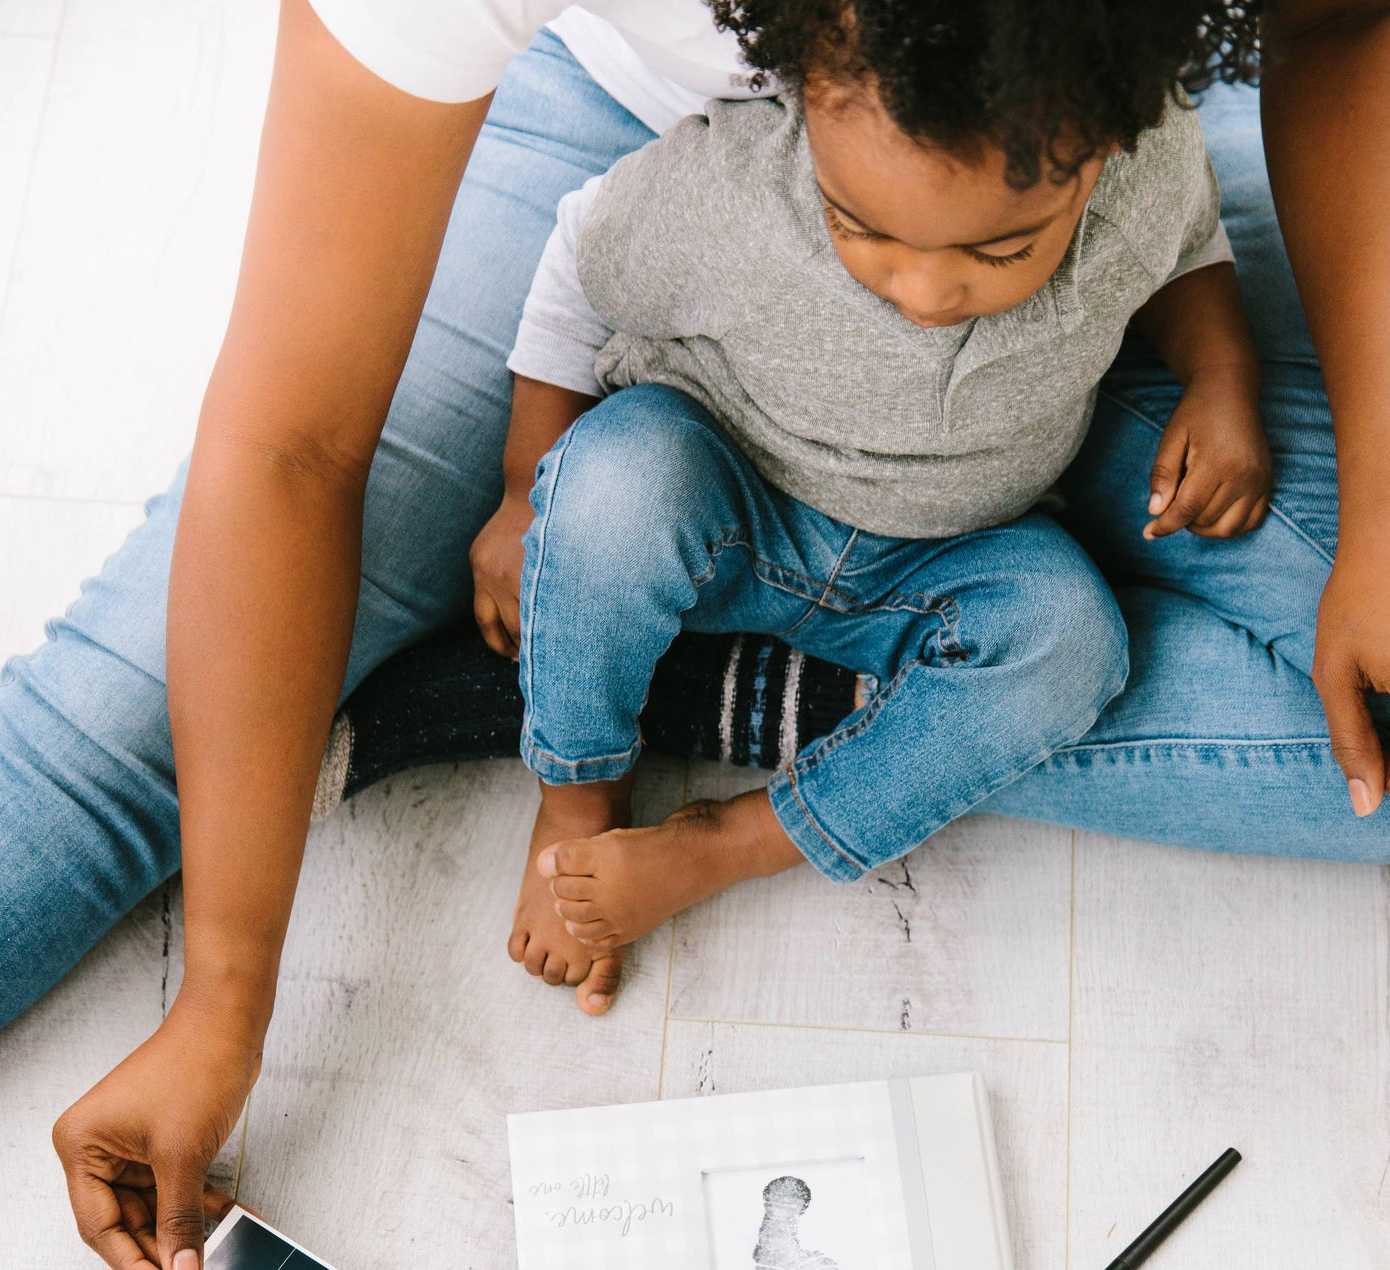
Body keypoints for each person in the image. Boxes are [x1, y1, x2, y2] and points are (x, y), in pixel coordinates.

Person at [0, 0, 1390, 1270]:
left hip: (1063, 165)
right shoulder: (687, 192)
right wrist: (226, 993)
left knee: (1385, 742)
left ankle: (677, 659)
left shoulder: (1115, 156)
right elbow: (291, 445)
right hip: (643, 186)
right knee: (121, 735)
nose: (914, 291)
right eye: (887, 253)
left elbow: (1348, 34)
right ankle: (598, 617)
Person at [475, 34, 1269, 997]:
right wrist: (526, 486)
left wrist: (1220, 378)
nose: (924, 292)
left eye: (1000, 248)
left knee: (1071, 640)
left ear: (1102, 157)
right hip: (726, 500)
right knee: (613, 481)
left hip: (941, 559)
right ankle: (578, 794)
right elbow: (579, 260)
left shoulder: (1146, 166)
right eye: (863, 230)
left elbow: (1188, 246)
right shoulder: (735, 188)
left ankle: (731, 841)